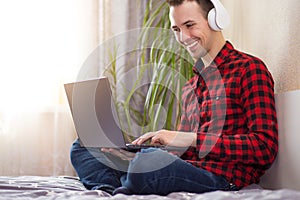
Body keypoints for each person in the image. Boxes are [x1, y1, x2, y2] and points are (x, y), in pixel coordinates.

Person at [70, 0, 278, 196]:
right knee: (82, 147)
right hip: (189, 168)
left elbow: (264, 147)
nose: (183, 37)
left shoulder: (249, 69)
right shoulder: (191, 86)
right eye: (177, 29)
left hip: (222, 177)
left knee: (148, 163)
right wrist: (131, 154)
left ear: (215, 20)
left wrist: (187, 139)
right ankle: (114, 188)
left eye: (190, 25)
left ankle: (127, 180)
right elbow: (184, 152)